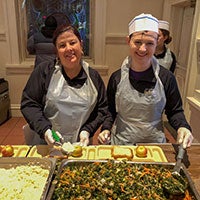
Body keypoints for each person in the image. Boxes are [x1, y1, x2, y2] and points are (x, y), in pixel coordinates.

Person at [98, 13, 193, 149]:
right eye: (137, 42)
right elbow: (111, 111)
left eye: (149, 43)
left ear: (156, 44)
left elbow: (175, 111)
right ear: (128, 41)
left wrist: (183, 127)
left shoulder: (166, 78)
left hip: (154, 146)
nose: (143, 49)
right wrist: (106, 129)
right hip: (122, 144)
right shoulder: (116, 78)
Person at [21, 24, 108, 146]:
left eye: (72, 43)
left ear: (81, 45)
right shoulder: (44, 72)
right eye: (62, 45)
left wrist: (87, 130)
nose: (68, 48)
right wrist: (45, 130)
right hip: (47, 143)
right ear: (56, 51)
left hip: (81, 145)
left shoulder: (93, 77)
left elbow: (102, 109)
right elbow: (29, 104)